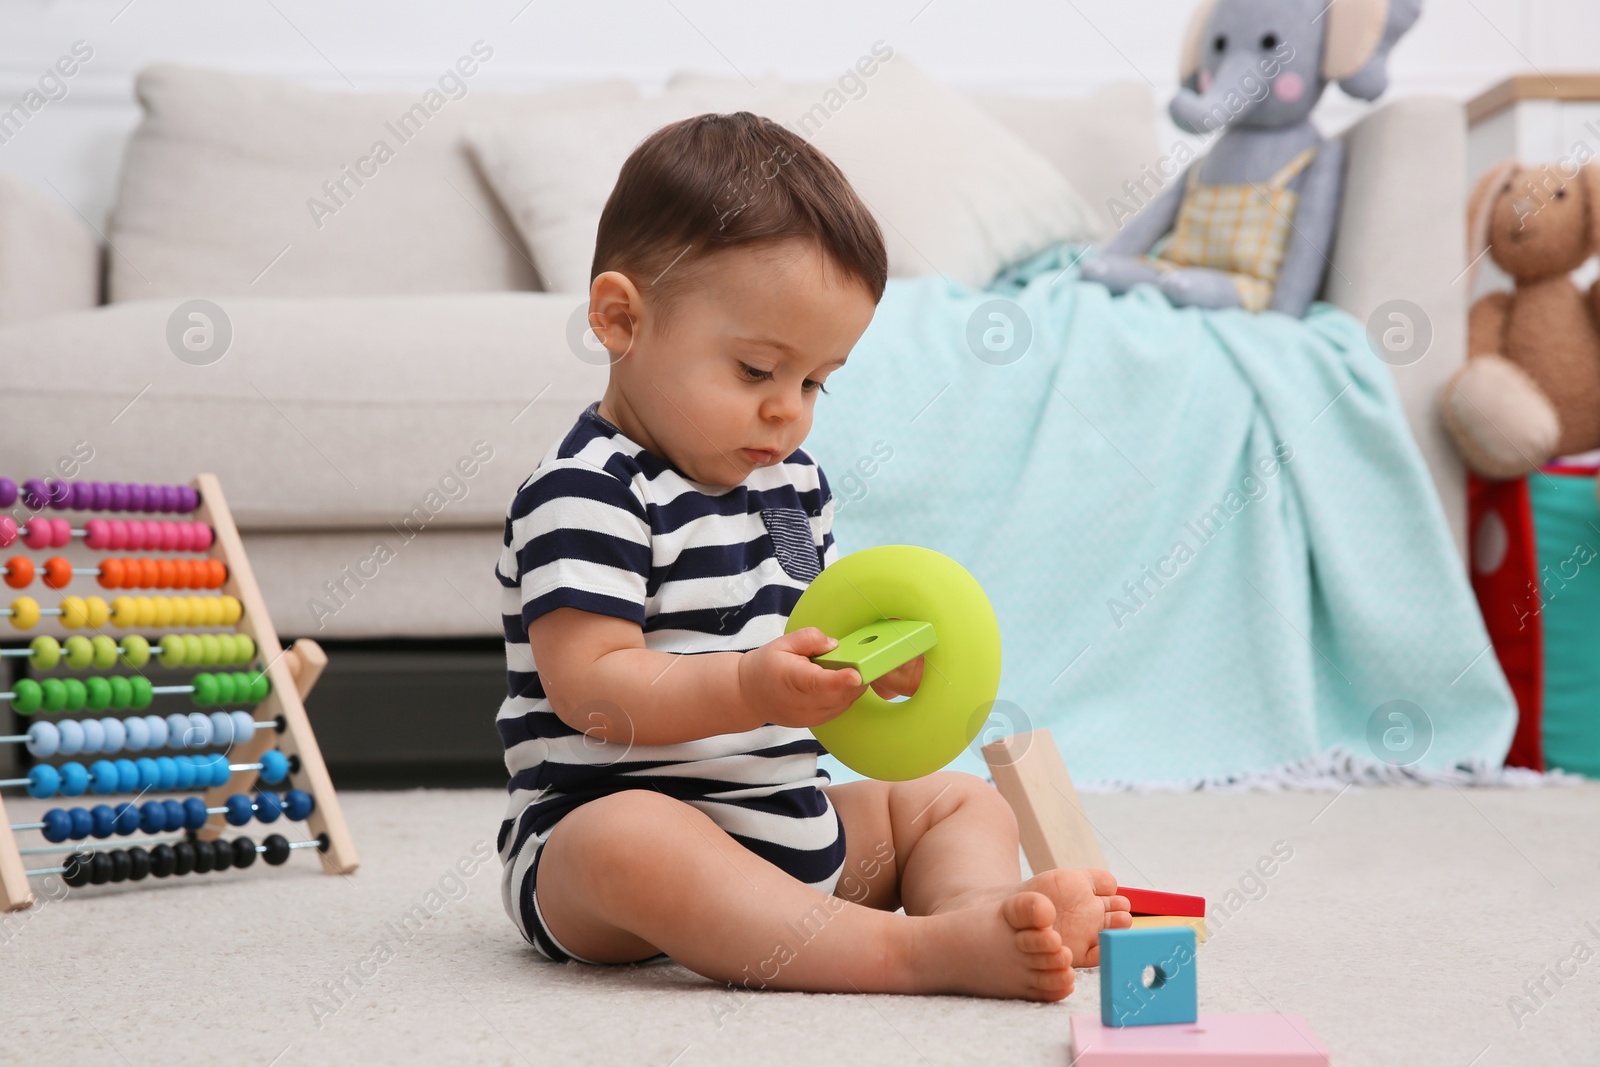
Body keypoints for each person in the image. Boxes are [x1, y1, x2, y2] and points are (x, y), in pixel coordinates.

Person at [494, 111, 1129, 1000]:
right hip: (606, 855)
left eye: (815, 380)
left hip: (789, 826)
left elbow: (809, 652)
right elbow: (594, 692)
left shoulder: (793, 485)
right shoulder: (587, 492)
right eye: (757, 370)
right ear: (619, 319)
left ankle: (978, 911)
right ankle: (912, 955)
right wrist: (752, 683)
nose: (787, 410)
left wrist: (857, 682)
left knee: (955, 802)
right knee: (631, 836)